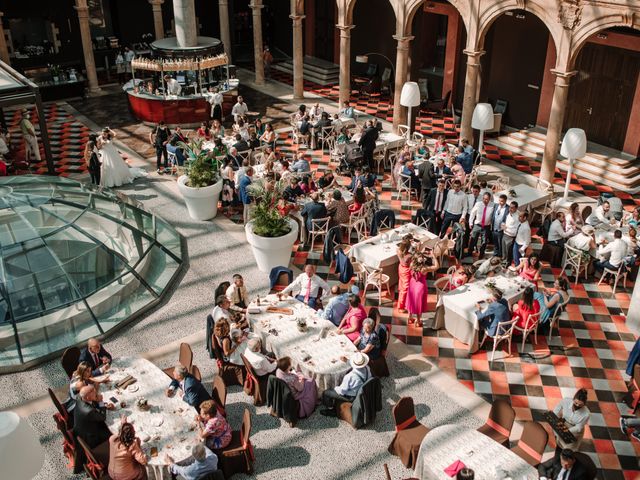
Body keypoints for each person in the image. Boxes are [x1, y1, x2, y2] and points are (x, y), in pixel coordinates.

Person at [320, 352, 371, 416]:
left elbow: (341, 391)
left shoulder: (350, 376)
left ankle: (331, 410)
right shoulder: (367, 368)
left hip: (352, 397)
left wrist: (335, 387)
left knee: (326, 393)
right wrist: (347, 360)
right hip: (363, 390)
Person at [467, 192, 495, 257]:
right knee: (473, 239)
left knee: (484, 241)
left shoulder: (493, 205)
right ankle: (469, 252)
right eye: (484, 199)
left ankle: (481, 254)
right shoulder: (478, 204)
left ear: (489, 199)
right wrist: (470, 222)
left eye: (487, 199)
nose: (485, 200)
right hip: (477, 225)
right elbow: (472, 213)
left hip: (486, 226)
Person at [406, 254, 430, 327]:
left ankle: (409, 317)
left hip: (412, 284)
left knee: (411, 301)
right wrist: (434, 257)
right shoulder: (424, 268)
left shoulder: (412, 264)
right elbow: (436, 267)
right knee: (419, 304)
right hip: (420, 286)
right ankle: (418, 321)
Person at [396, 240, 412, 313]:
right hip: (406, 271)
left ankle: (402, 302)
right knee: (405, 289)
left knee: (401, 284)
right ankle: (401, 306)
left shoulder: (398, 251)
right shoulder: (409, 256)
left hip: (401, 268)